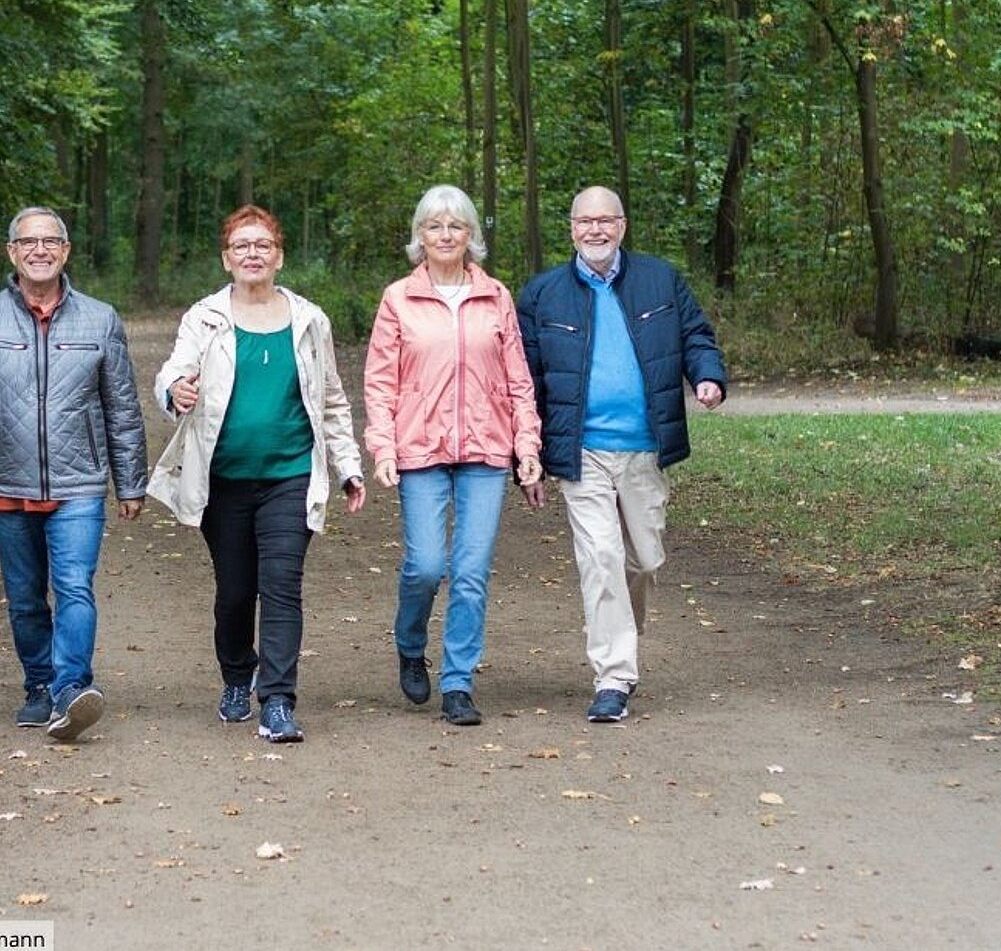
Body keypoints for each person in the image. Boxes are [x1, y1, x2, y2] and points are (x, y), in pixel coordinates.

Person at [147, 206, 367, 745]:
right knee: (235, 593)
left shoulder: (310, 320)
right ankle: (235, 677)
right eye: (241, 246)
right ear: (227, 258)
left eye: (263, 244)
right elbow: (172, 371)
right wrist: (175, 391)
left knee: (282, 587)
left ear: (279, 256)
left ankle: (278, 701)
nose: (253, 253)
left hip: (291, 475)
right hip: (221, 480)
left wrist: (348, 467)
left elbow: (332, 401)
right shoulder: (204, 317)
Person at [0, 206, 147, 743]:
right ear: (12, 252)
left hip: (79, 484)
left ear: (66, 251)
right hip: (7, 480)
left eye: (51, 241)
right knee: (26, 597)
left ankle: (71, 690)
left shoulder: (100, 319)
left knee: (74, 585)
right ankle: (39, 685)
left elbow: (121, 406)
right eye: (29, 242)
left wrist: (131, 481)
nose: (40, 250)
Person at [517, 186, 726, 724]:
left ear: (623, 226)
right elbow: (524, 381)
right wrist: (530, 455)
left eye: (605, 221)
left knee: (643, 560)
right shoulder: (543, 295)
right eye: (585, 222)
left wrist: (707, 377)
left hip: (644, 450)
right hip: (581, 452)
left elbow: (697, 336)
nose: (595, 231)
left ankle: (621, 639)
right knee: (601, 560)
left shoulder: (660, 280)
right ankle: (613, 675)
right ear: (571, 229)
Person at [362, 185, 544, 727]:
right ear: (420, 237)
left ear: (471, 236)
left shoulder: (497, 297)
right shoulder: (398, 298)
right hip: (420, 448)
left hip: (487, 450)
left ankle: (458, 682)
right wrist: (383, 446)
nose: (445, 235)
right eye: (434, 226)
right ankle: (411, 642)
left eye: (455, 226)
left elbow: (518, 380)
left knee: (469, 570)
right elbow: (379, 382)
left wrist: (527, 445)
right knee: (425, 566)